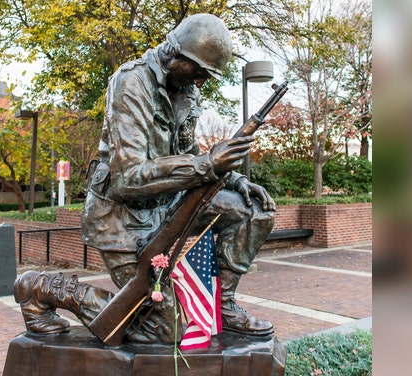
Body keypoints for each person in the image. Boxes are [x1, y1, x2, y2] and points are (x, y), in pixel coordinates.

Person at [14, 13, 276, 345]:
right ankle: (41, 288)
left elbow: (189, 151)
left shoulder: (184, 90)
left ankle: (224, 307)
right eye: (198, 72)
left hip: (167, 202)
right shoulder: (131, 83)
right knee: (164, 330)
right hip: (124, 218)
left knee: (252, 209)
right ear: (176, 52)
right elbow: (128, 178)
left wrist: (234, 178)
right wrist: (207, 163)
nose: (200, 82)